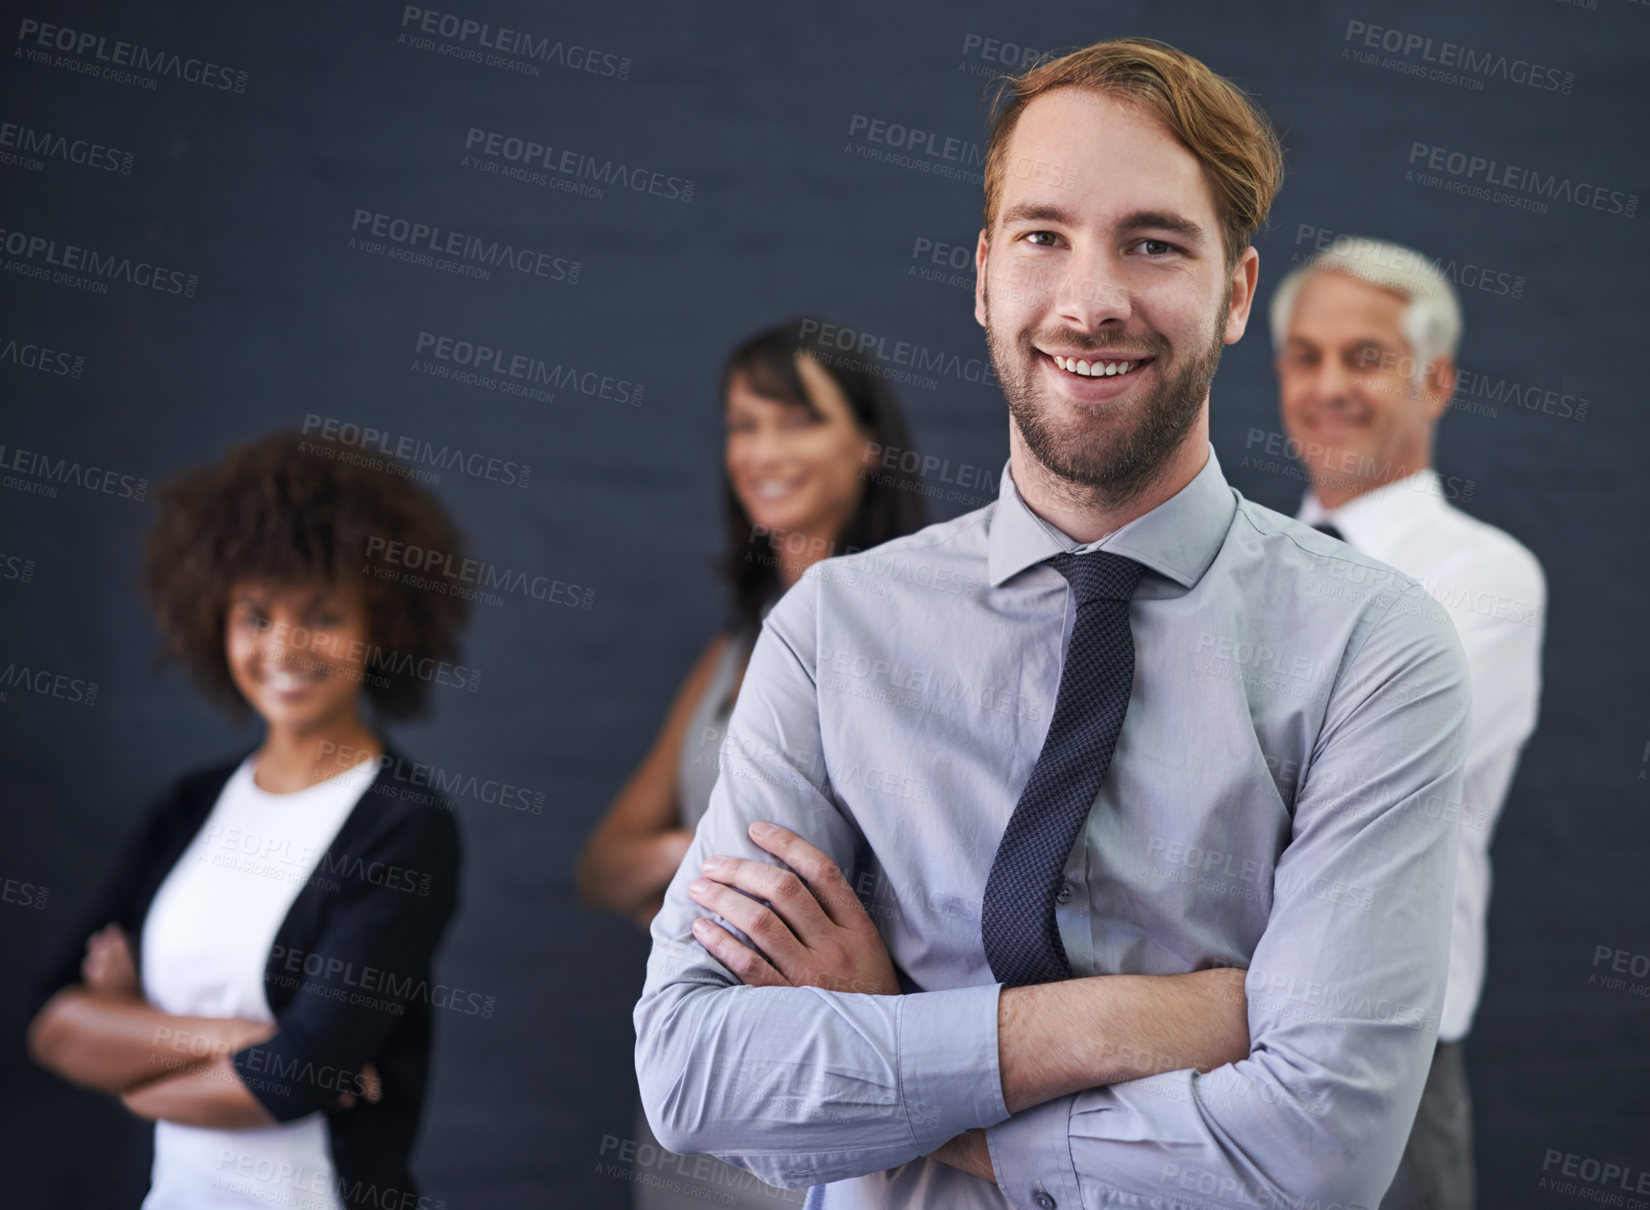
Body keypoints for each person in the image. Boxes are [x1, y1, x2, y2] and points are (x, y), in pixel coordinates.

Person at [634, 36, 1473, 1210]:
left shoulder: (1373, 648)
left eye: (1153, 243)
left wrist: (902, 1053)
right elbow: (697, 1074)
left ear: (1234, 292)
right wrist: (1125, 1024)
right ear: (983, 275)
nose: (1090, 302)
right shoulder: (833, 635)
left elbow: (1316, 1157)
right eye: (1043, 236)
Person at [26, 430, 468, 1210]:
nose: (284, 647)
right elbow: (56, 1027)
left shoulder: (403, 827)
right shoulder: (189, 808)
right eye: (255, 616)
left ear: (383, 627)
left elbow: (292, 1084)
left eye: (321, 614)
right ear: (215, 622)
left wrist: (132, 1057)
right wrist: (236, 1043)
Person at [576, 318, 926, 1207]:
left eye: (796, 419)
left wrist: (718, 876)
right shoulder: (733, 649)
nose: (763, 449)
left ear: (868, 444)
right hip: (703, 1083)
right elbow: (606, 864)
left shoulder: (917, 635)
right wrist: (711, 863)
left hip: (827, 1082)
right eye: (743, 423)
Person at [1270, 238, 1546, 1210]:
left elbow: (1360, 787)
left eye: (1366, 356)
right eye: (1305, 356)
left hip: (1388, 1054)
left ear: (1435, 380)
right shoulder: (1237, 566)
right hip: (1215, 1050)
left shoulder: (1486, 578)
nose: (1328, 385)